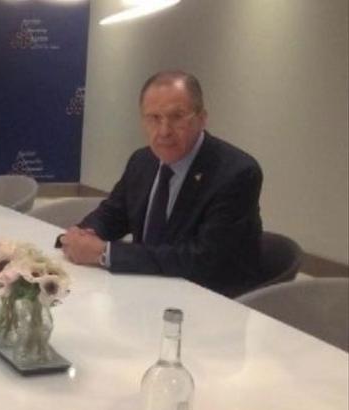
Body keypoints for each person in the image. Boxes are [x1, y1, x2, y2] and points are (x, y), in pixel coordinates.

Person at [58, 71, 263, 297]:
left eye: (177, 117)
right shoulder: (142, 161)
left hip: (208, 300)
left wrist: (105, 253)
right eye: (154, 118)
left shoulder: (236, 173)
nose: (164, 131)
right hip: (144, 290)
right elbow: (113, 214)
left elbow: (203, 260)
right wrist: (83, 235)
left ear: (202, 118)